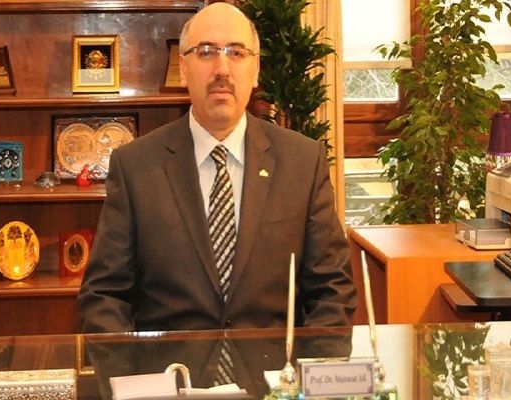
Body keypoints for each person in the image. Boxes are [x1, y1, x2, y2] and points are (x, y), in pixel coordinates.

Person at [78, 2, 356, 334]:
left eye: (237, 53)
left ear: (256, 70)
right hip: (169, 365)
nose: (222, 69)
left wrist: (313, 365)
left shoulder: (302, 162)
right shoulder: (135, 166)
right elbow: (105, 296)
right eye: (207, 52)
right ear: (183, 69)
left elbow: (331, 292)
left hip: (273, 365)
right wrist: (128, 366)